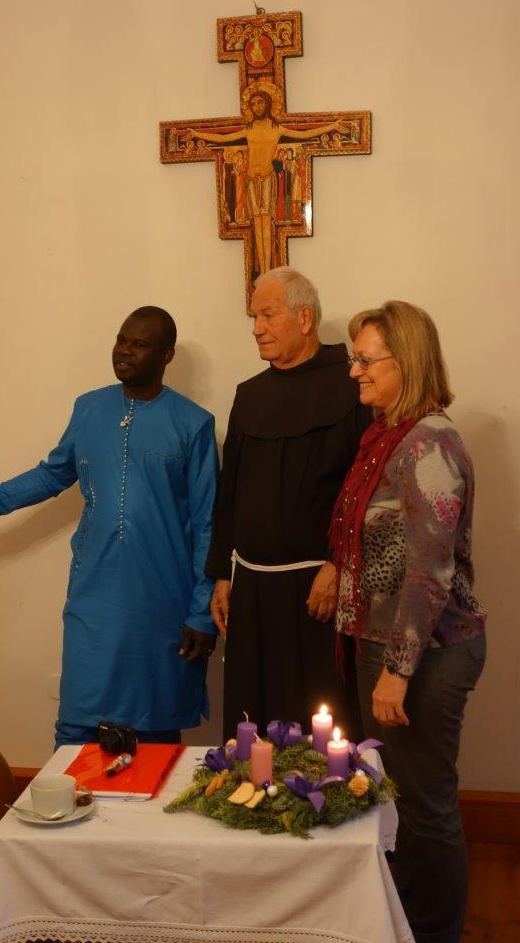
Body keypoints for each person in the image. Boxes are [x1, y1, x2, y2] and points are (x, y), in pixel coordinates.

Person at [0, 307, 219, 747]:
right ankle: (68, 793)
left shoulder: (193, 424)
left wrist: (201, 613)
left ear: (167, 355)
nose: (124, 350)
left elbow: (207, 524)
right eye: (121, 339)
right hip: (94, 594)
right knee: (78, 725)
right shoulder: (89, 409)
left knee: (155, 727)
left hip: (162, 602)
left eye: (139, 344)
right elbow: (50, 475)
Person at [330, 301, 487, 943]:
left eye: (366, 360)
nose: (355, 371)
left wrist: (397, 671)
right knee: (397, 801)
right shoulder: (385, 437)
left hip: (425, 652)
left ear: (408, 361)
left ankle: (433, 933)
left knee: (425, 809)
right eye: (354, 359)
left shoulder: (430, 443)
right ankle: (399, 924)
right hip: (388, 642)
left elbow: (430, 571)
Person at [207, 268, 370, 742]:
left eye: (267, 315)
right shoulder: (249, 395)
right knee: (251, 718)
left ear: (304, 318)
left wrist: (339, 564)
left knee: (321, 719)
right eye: (253, 318)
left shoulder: (351, 386)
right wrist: (222, 574)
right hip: (252, 589)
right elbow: (230, 491)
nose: (256, 328)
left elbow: (365, 490)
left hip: (318, 591)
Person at [186, 90, 347, 275]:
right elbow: (223, 138)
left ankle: (267, 271)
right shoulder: (249, 129)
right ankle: (263, 272)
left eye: (260, 102)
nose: (257, 107)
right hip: (251, 180)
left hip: (268, 178)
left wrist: (332, 126)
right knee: (257, 226)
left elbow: (304, 134)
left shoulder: (276, 128)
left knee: (266, 226)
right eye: (253, 104)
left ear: (268, 104)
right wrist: (197, 133)